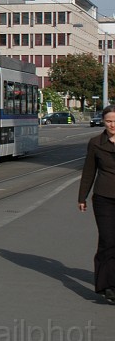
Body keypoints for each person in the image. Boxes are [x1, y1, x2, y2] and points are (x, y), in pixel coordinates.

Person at [78, 103, 115, 304]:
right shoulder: (95, 143)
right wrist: (81, 197)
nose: (112, 125)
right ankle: (107, 286)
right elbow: (89, 171)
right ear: (103, 121)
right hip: (104, 198)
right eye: (109, 121)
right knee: (108, 240)